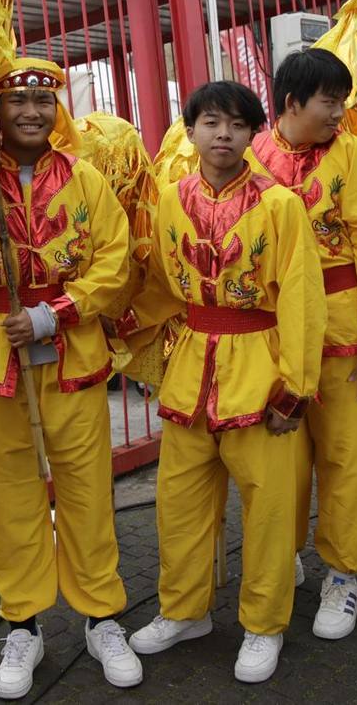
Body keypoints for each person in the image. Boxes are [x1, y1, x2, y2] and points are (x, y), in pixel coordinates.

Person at [0, 57, 141, 698]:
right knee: (13, 497)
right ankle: (22, 622)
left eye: (42, 99)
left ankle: (100, 614)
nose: (30, 110)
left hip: (72, 354)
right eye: (16, 99)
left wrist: (52, 315)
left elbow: (114, 264)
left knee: (86, 489)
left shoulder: (84, 179)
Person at [121, 81, 325, 683]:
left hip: (259, 370)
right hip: (190, 371)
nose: (223, 136)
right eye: (211, 123)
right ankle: (184, 610)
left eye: (238, 125)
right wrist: (122, 330)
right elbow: (159, 284)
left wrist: (295, 388)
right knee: (179, 504)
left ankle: (264, 624)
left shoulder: (281, 204)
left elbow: (302, 300)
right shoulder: (168, 199)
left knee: (267, 510)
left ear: (254, 133)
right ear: (191, 130)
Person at [245, 47, 357, 640]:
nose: (340, 113)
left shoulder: (351, 153)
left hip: (344, 327)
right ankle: (278, 557)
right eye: (329, 102)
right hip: (272, 333)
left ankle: (342, 573)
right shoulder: (250, 156)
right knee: (278, 460)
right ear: (291, 103)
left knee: (347, 455)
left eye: (343, 101)